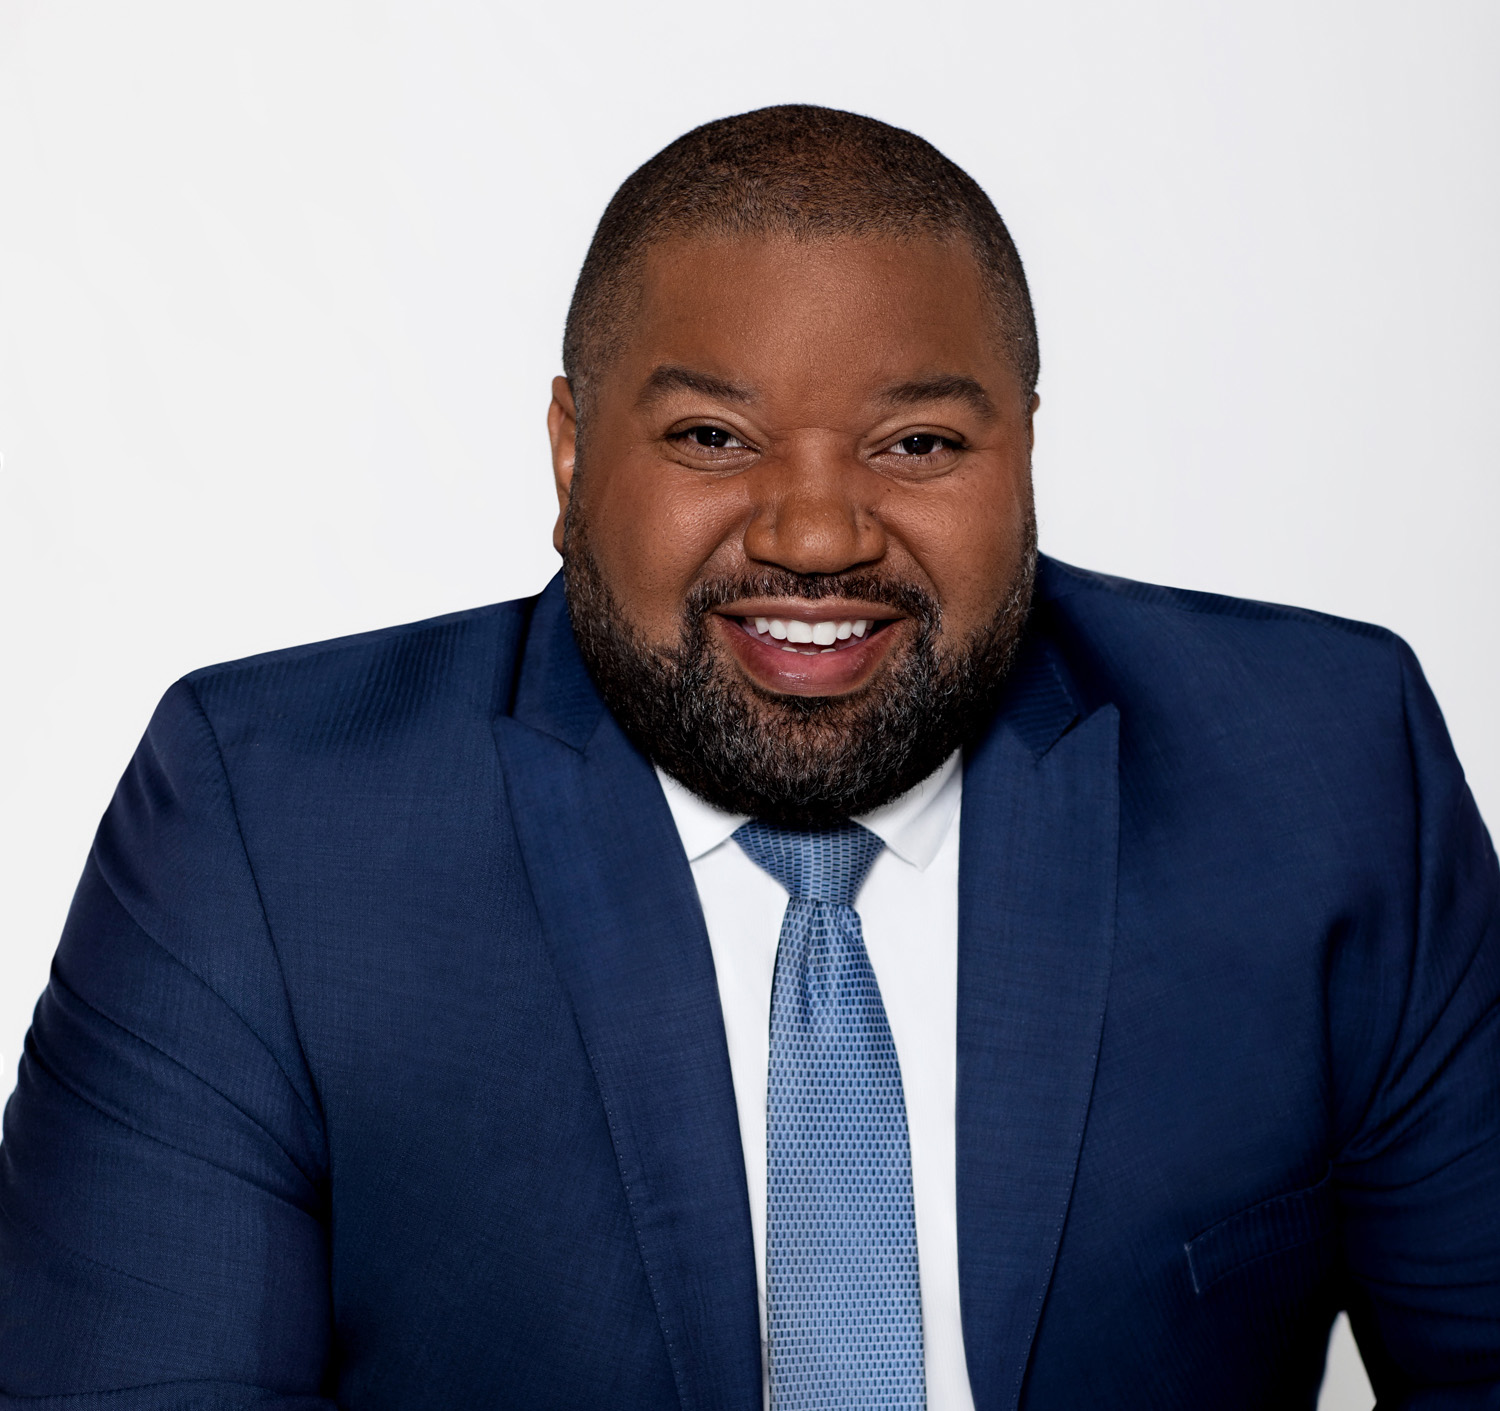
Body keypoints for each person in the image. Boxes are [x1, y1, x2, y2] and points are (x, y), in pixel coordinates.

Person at [1, 103, 1496, 1411]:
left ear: (1027, 455)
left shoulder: (1323, 770)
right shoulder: (267, 826)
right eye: (714, 438)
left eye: (918, 443)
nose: (818, 534)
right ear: (571, 457)